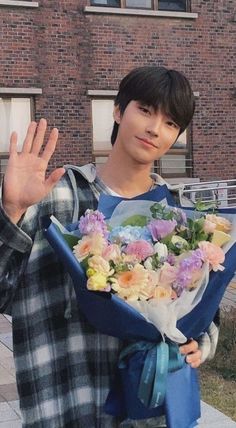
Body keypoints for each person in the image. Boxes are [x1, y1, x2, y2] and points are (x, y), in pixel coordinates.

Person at [0, 66, 219, 428]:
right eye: (146, 110)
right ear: (118, 111)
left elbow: (202, 308)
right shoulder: (54, 198)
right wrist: (11, 212)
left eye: (170, 122)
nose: (154, 128)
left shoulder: (178, 221)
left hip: (148, 412)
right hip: (65, 400)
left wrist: (202, 342)